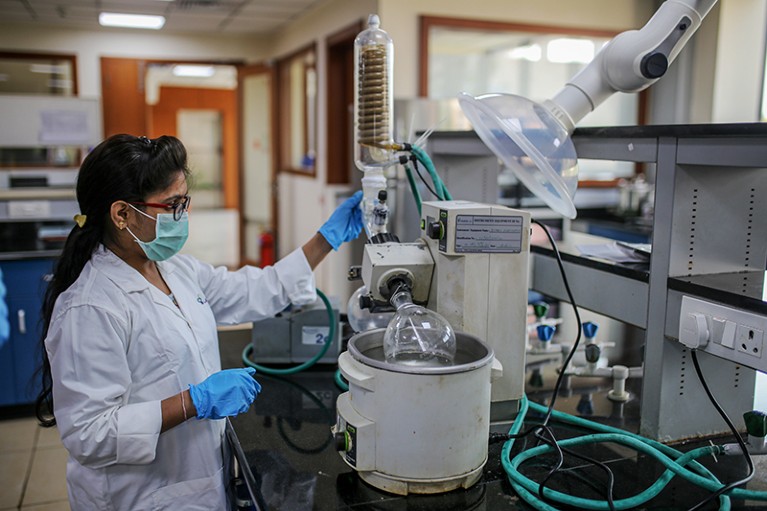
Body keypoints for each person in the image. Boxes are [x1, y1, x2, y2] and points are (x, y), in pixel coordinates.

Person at [34, 134, 363, 510]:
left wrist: (326, 238)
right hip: (139, 496)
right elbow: (88, 435)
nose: (183, 216)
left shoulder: (174, 268)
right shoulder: (90, 307)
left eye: (184, 202)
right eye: (172, 205)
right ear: (122, 214)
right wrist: (193, 401)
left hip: (198, 482)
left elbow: (251, 289)